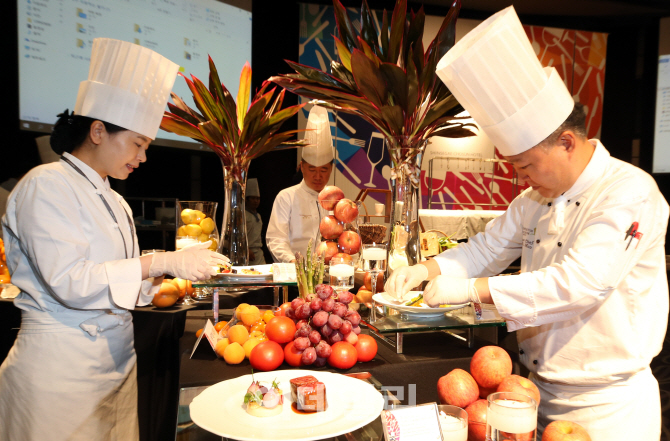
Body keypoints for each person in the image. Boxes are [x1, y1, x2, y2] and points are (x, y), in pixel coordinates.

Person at [386, 7, 668, 441]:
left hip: (608, 407)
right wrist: (426, 270)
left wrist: (470, 290)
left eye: (525, 164)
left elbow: (580, 283)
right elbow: (486, 248)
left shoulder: (629, 192)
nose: (520, 177)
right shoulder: (535, 198)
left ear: (567, 143)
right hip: (528, 393)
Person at [0, 38, 228, 441]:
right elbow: (71, 281)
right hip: (60, 372)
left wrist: (167, 279)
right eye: (138, 143)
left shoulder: (116, 202)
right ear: (98, 130)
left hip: (117, 364)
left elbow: (125, 284)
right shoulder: (45, 185)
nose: (142, 157)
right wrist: (160, 263)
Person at [267, 105, 334, 263]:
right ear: (302, 167)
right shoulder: (286, 197)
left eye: (324, 170)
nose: (318, 176)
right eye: (312, 169)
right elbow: (276, 239)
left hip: (328, 278)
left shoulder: (335, 202)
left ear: (331, 169)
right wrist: (293, 262)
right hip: (294, 277)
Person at [245, 178, 266, 265]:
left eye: (257, 199)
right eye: (253, 198)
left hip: (259, 252)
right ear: (247, 199)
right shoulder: (242, 215)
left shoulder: (259, 216)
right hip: (247, 252)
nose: (256, 201)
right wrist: (246, 249)